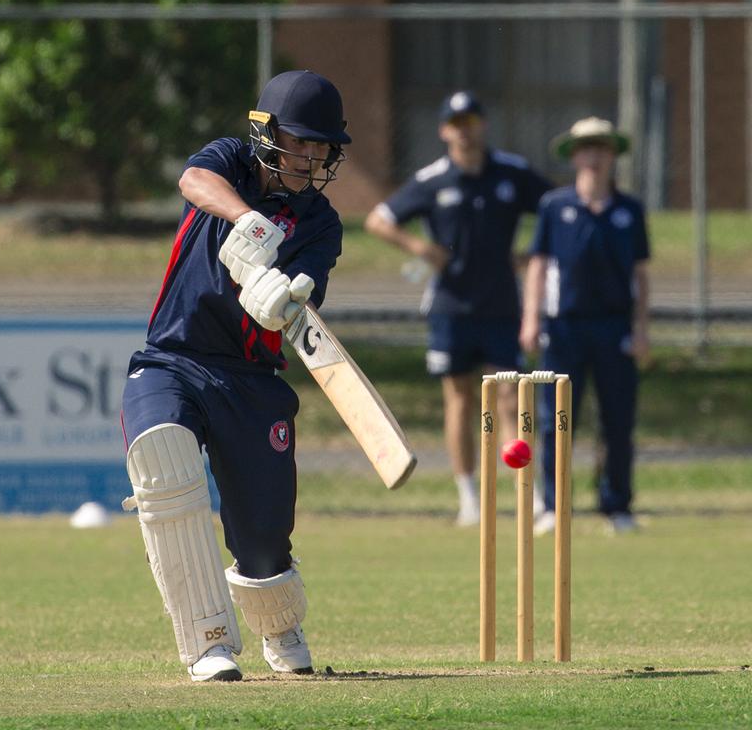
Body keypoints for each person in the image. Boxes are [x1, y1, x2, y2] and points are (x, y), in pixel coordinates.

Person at [120, 70, 351, 682]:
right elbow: (193, 180)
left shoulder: (321, 224)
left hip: (251, 380)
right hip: (173, 357)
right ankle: (207, 641)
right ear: (267, 133)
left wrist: (280, 297)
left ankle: (278, 621)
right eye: (299, 141)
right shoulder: (230, 161)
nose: (310, 157)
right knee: (162, 459)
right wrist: (249, 222)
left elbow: (300, 306)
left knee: (263, 539)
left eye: (321, 147)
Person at [364, 91, 552, 526]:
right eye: (456, 122)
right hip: (450, 305)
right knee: (460, 398)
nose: (464, 130)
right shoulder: (433, 179)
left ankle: (530, 495)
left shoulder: (511, 173)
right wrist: (419, 247)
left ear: (483, 124)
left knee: (509, 396)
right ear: (444, 130)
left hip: (502, 303)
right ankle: (469, 498)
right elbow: (377, 220)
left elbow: (558, 210)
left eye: (471, 120)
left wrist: (531, 255)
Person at [520, 116, 650, 536]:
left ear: (612, 155)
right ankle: (555, 506)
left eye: (602, 148)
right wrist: (531, 318)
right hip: (564, 329)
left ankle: (617, 505)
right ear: (574, 155)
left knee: (617, 420)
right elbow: (539, 265)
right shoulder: (555, 207)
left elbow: (641, 274)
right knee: (556, 420)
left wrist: (642, 328)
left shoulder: (629, 211)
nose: (594, 156)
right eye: (586, 148)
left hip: (615, 328)